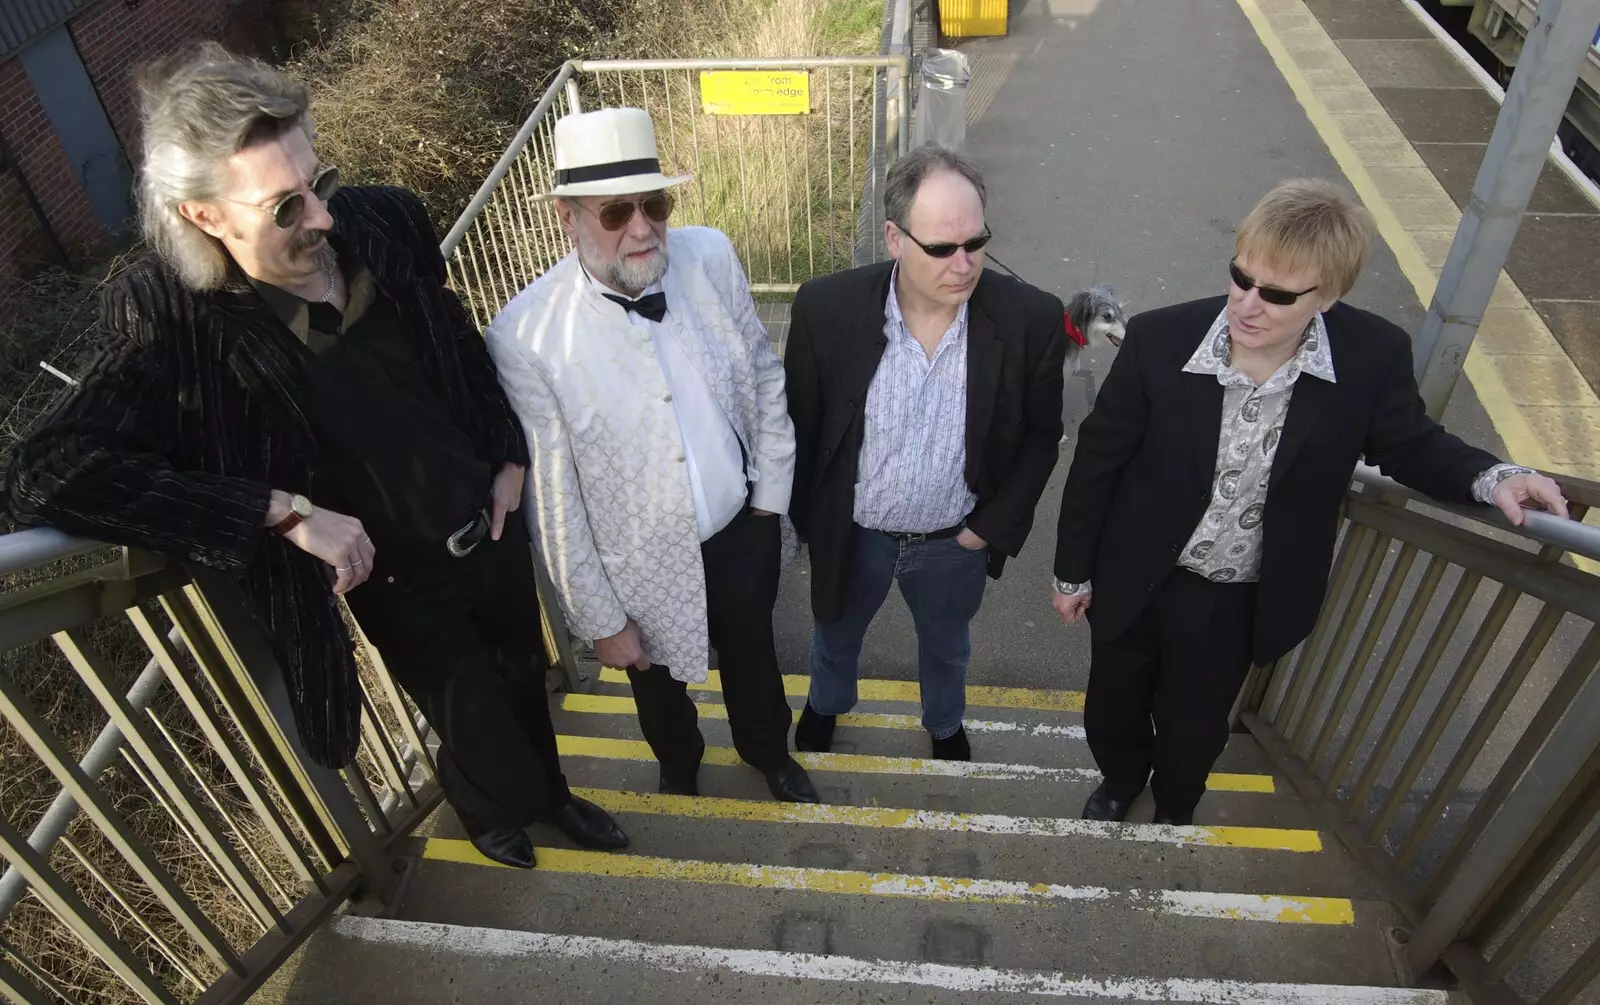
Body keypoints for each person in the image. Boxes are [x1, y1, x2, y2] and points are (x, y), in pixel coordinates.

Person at [3, 44, 626, 871]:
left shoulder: (380, 219)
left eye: (318, 183)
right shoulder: (173, 318)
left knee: (524, 686)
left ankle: (549, 798)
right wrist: (278, 510)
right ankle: (490, 807)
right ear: (204, 216)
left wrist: (506, 453)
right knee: (476, 724)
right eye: (285, 208)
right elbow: (44, 469)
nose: (322, 218)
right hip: (399, 580)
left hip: (492, 522)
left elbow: (452, 339)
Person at [1051, 178, 1570, 825]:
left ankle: (1177, 807)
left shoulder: (1371, 358)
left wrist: (1492, 477)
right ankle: (1120, 781)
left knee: (1196, 729)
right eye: (1240, 278)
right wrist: (1072, 570)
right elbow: (1097, 461)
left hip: (1238, 598)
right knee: (1112, 706)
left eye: (1276, 294)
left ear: (1328, 295)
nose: (1246, 304)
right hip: (1137, 577)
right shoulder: (1160, 340)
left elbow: (1410, 445)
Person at [485, 107, 818, 803]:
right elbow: (554, 498)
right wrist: (599, 619)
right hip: (636, 565)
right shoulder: (526, 334)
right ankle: (679, 765)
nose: (642, 228)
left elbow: (762, 373)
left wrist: (769, 503)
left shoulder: (710, 255)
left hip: (741, 527)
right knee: (657, 690)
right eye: (615, 212)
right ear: (566, 218)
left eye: (655, 203)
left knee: (756, 661)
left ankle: (768, 754)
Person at [785, 143, 1068, 760]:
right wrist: (808, 521)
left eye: (976, 242)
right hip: (856, 533)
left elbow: (1042, 435)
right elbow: (802, 426)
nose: (964, 264)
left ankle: (944, 722)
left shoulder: (1031, 320)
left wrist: (988, 529)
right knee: (835, 632)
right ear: (893, 237)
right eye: (941, 247)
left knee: (947, 643)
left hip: (953, 541)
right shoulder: (825, 309)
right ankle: (826, 704)